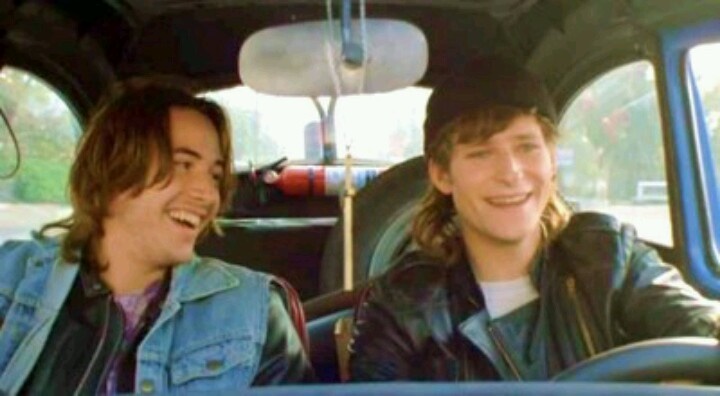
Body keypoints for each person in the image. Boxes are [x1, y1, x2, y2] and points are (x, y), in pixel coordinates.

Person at [348, 55, 720, 381]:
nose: (511, 172)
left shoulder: (608, 258)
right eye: (480, 153)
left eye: (527, 147)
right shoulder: (404, 305)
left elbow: (704, 329)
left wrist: (686, 381)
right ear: (442, 175)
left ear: (552, 159)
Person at [0, 78, 314, 394]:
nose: (207, 194)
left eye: (215, 175)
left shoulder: (253, 313)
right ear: (113, 170)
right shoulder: (12, 279)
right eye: (183, 165)